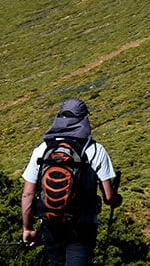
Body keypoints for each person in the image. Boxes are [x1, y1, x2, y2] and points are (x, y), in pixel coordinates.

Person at [20, 98, 122, 265]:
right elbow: (109, 198)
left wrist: (28, 228)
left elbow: (28, 193)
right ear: (84, 119)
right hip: (82, 226)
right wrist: (117, 200)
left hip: (50, 223)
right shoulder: (95, 150)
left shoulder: (42, 149)